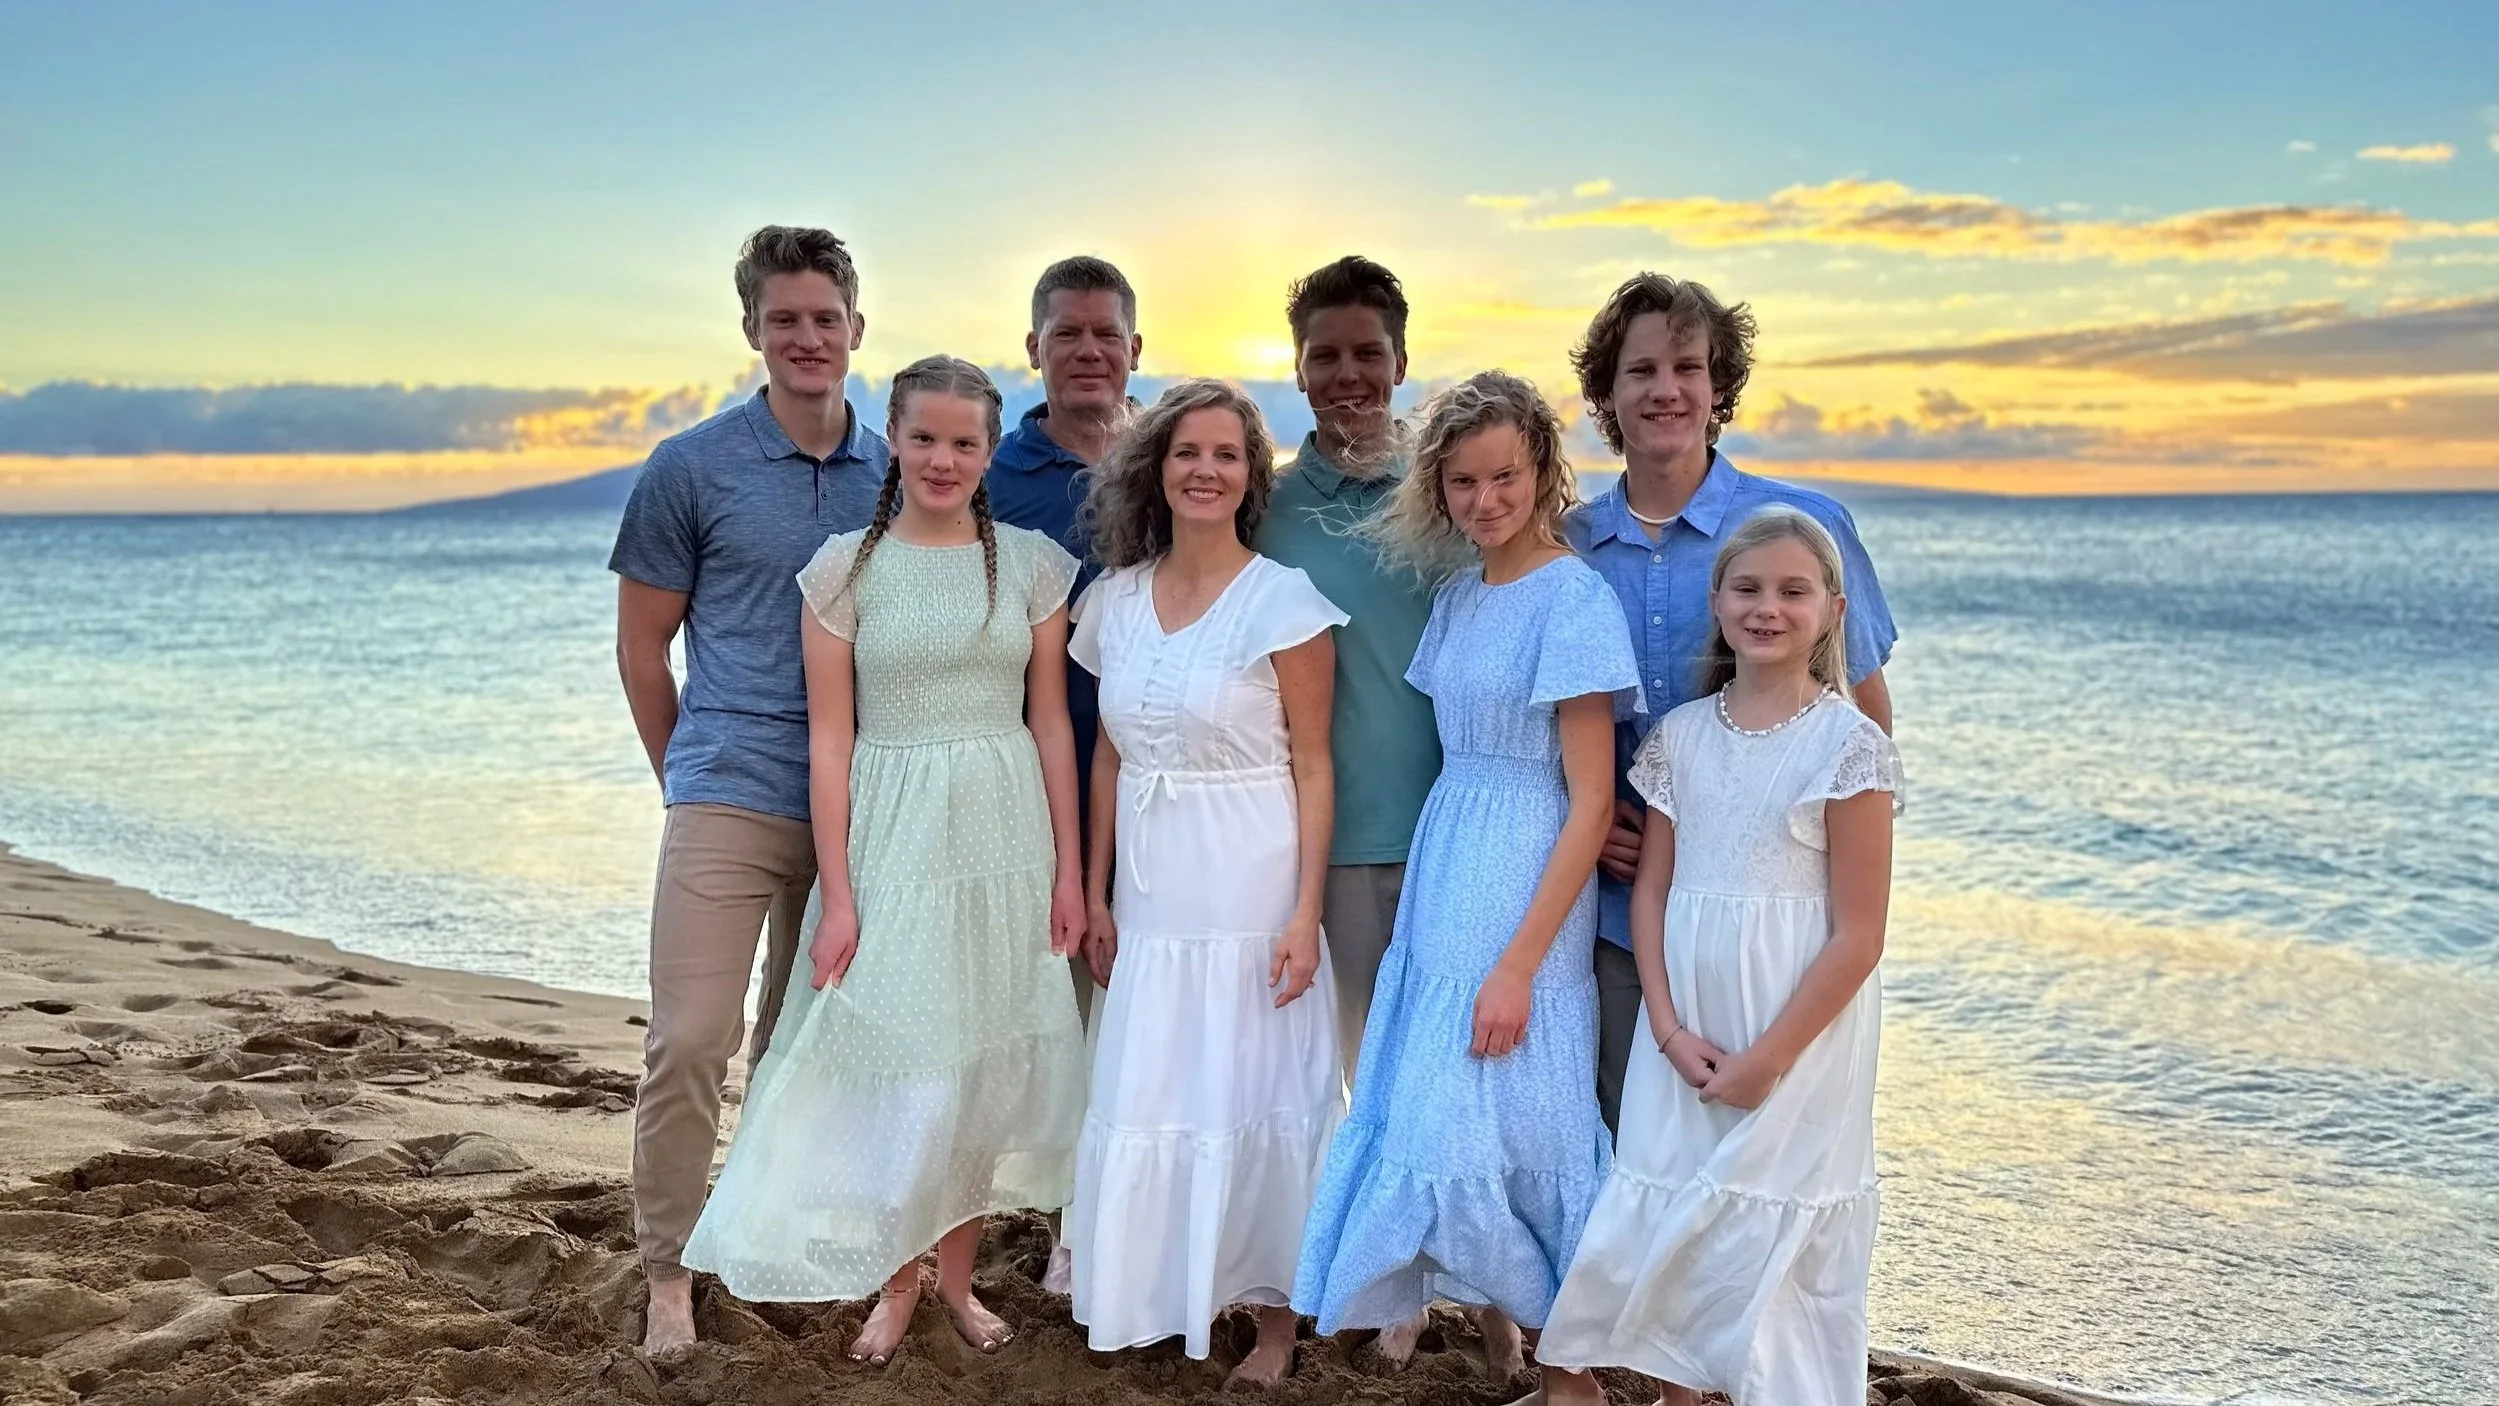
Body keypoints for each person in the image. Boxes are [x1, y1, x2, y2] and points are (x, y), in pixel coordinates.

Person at [679, 356, 1089, 1367]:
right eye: (924, 438)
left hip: (1006, 834)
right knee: (906, 1067)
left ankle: (955, 1280)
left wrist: (1073, 873)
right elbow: (830, 742)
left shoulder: (1034, 565)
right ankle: (896, 1281)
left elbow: (1049, 725)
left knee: (983, 1064)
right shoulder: (841, 572)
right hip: (892, 833)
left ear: (990, 452)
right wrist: (840, 896)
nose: (943, 458)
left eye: (964, 441)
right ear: (892, 441)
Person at [1293, 372, 1634, 1406]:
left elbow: (1588, 801)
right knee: (1448, 1114)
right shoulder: (1458, 595)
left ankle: (1574, 1373)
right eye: (1465, 481)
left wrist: (1523, 963)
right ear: (1438, 489)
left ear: (1543, 470)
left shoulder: (1572, 596)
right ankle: (1550, 1359)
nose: (1487, 499)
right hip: (1452, 858)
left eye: (1506, 476)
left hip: (1529, 868)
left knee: (1528, 1118)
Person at [1540, 507, 1901, 1406]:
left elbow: (1860, 933)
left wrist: (1768, 1059)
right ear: (1716, 599)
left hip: (1797, 1035)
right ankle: (1675, 1392)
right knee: (1674, 1202)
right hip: (1690, 1026)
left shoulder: (1850, 747)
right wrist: (1664, 1030)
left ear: (1831, 608)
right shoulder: (1681, 737)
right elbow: (1652, 893)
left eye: (1791, 591)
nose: (1765, 608)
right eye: (1745, 588)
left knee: (1771, 1210)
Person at [608, 225, 890, 1358]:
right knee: (690, 1037)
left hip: (863, 804)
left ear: (857, 330)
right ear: (753, 332)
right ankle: (669, 1267)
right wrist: (688, 777)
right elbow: (642, 649)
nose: (808, 337)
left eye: (827, 318)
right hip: (731, 786)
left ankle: (763, 1233)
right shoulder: (691, 467)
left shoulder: (896, 470)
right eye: (786, 320)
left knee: (799, 1043)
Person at [1562, 273, 1897, 1135]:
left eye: (1687, 367)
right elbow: (1541, 730)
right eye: (1639, 370)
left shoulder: (1799, 527)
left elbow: (1860, 723)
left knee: (1765, 1159)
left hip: (1770, 925)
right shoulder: (1565, 549)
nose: (1665, 389)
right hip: (1611, 910)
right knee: (1627, 1148)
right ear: (1606, 391)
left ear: (1719, 387)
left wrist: (1829, 890)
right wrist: (1590, 822)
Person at [1061, 379, 1347, 1381]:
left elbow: (1315, 763)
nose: (1207, 470)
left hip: (1254, 875)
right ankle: (1152, 1287)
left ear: (1249, 476)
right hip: (1150, 879)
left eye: (1229, 454)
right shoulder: (1111, 600)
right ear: (1159, 466)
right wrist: (1093, 892)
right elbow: (1106, 757)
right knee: (1155, 1078)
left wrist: (1306, 911)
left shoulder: (1286, 601)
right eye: (1189, 451)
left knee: (1254, 1081)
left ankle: (1271, 1320)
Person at [1252, 255, 1440, 1082]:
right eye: (1324, 356)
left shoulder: (1453, 493)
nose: (1348, 375)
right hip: (1327, 847)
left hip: (1459, 833)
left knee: (1456, 1080)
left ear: (1400, 363)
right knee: (1350, 1084)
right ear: (1298, 370)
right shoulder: (1261, 507)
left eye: (1368, 353)